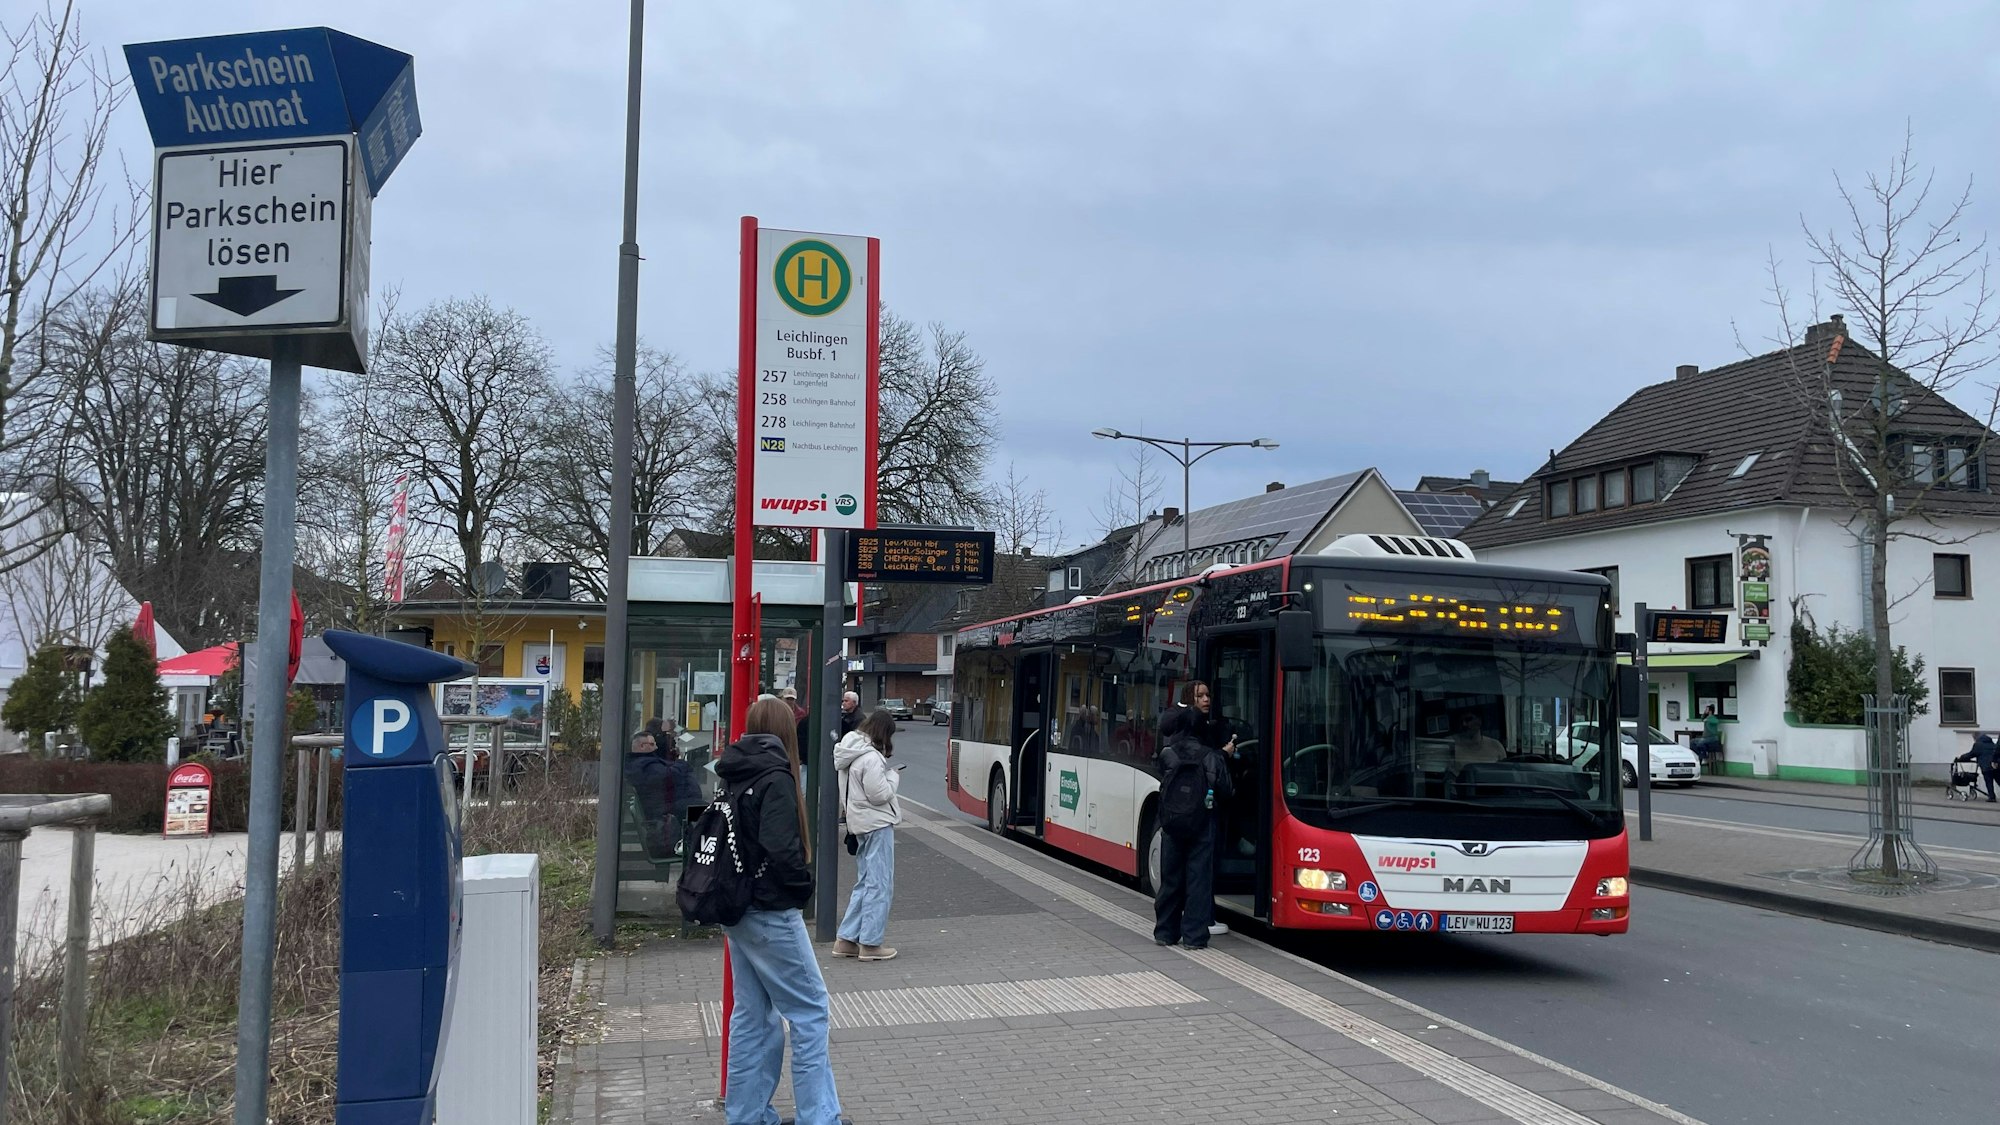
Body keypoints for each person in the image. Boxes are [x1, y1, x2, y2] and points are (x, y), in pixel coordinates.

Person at [715, 697, 849, 1125]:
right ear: (786, 731)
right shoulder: (776, 777)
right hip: (772, 910)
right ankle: (818, 1117)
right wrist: (801, 888)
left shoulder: (734, 772)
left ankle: (746, 1115)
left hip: (737, 911)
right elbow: (780, 848)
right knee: (810, 1011)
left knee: (752, 1016)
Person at [1153, 706, 1236, 949]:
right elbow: (1226, 790)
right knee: (1198, 879)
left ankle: (1165, 932)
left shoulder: (1168, 754)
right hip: (1202, 823)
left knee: (1171, 878)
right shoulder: (1211, 756)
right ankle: (1194, 936)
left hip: (1172, 823)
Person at [832, 709, 902, 961]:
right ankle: (871, 944)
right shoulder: (870, 757)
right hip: (876, 824)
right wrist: (893, 778)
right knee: (879, 884)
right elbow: (879, 794)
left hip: (858, 824)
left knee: (864, 882)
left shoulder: (849, 751)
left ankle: (847, 939)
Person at [622, 733, 676, 860]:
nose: (656, 747)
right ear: (641, 746)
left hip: (658, 807)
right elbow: (667, 776)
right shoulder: (646, 766)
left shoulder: (638, 763)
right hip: (659, 810)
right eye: (652, 744)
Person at [1955, 731, 1999, 802]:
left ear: (1976, 737)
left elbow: (1971, 754)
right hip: (1996, 765)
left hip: (1986, 766)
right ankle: (1992, 796)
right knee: (1999, 780)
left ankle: (1992, 797)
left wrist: (1961, 758)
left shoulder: (1978, 745)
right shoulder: (1992, 744)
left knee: (1989, 782)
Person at [1693, 705, 1724, 770]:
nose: (1705, 710)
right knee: (1692, 742)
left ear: (1710, 711)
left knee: (1700, 743)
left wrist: (1708, 720)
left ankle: (1703, 755)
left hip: (1711, 738)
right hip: (1705, 738)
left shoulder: (1712, 718)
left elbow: (1716, 721)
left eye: (1706, 709)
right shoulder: (1706, 718)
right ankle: (1701, 755)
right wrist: (1704, 714)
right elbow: (1702, 718)